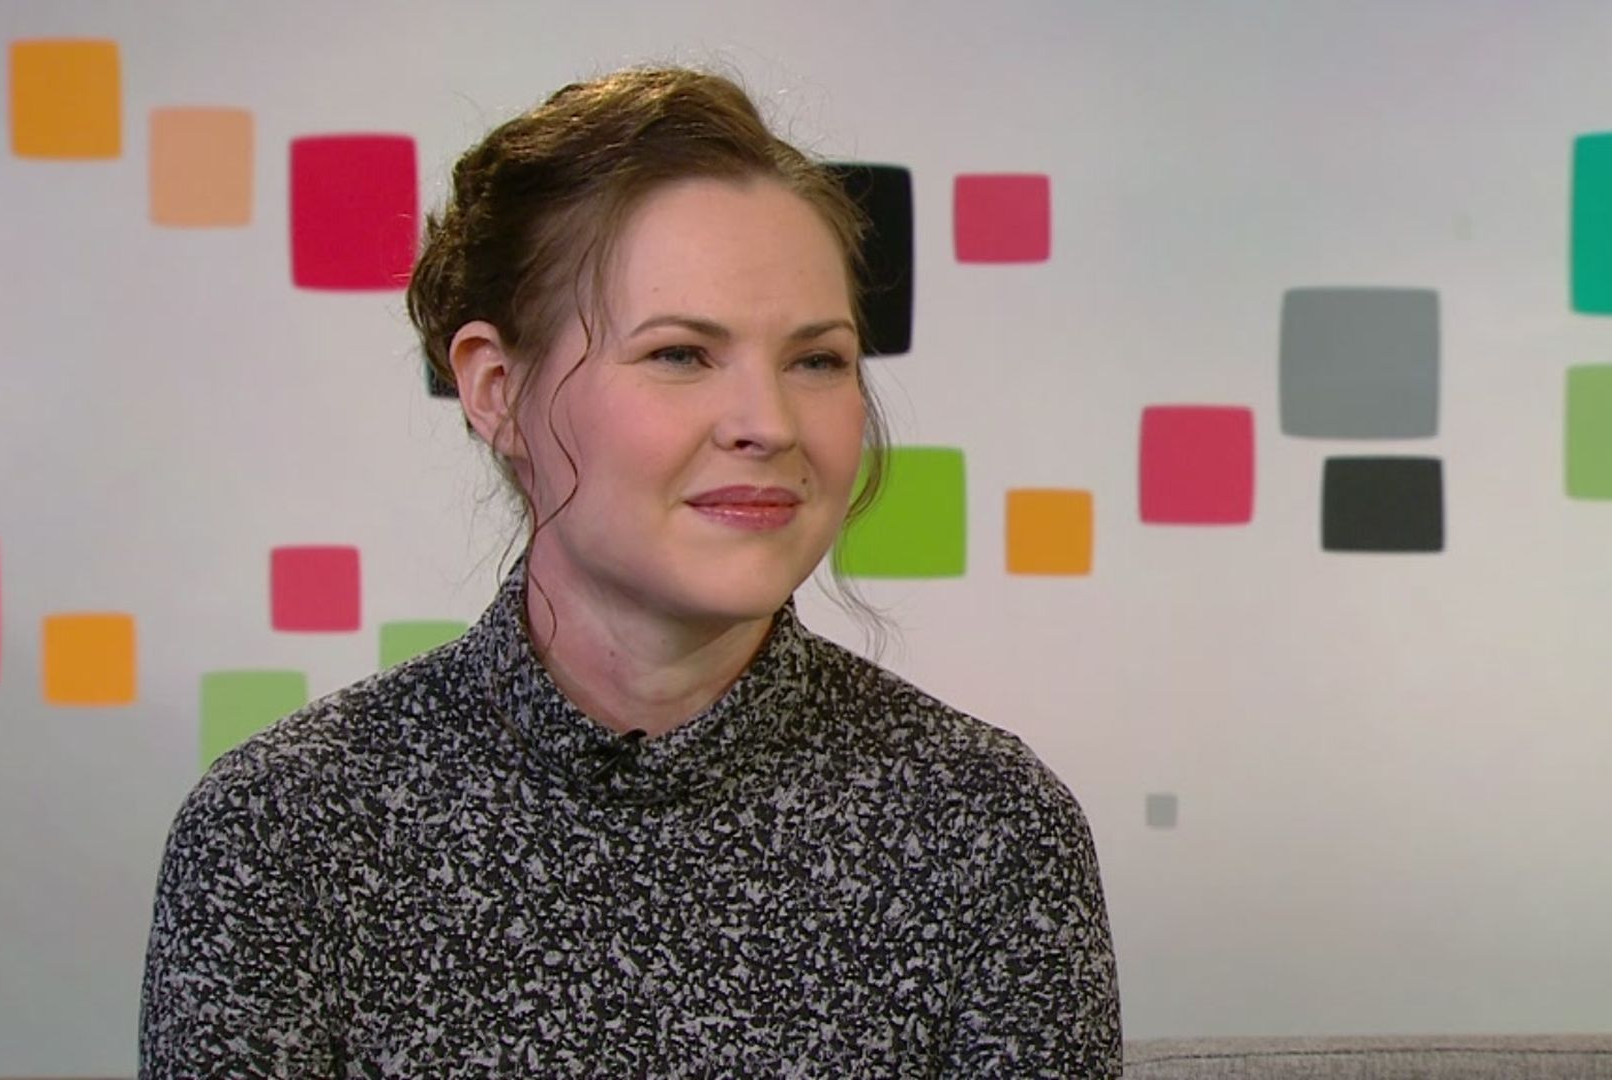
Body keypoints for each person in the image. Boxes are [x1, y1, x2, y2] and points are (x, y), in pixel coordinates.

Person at [139, 66, 1121, 1077]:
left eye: (816, 360)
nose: (769, 424)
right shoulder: (281, 831)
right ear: (496, 389)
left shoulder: (988, 825)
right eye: (681, 354)